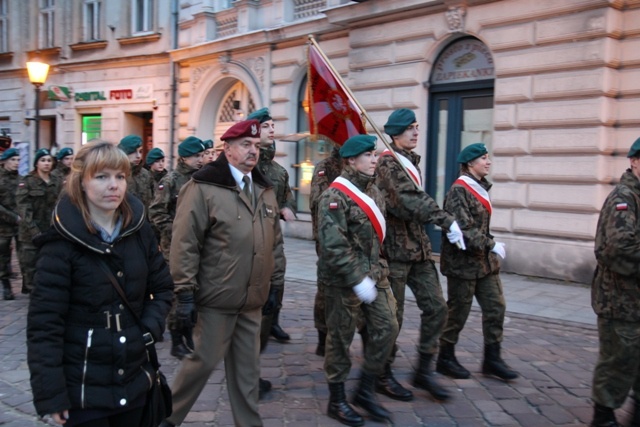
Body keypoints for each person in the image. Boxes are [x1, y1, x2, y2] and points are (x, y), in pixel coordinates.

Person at [26, 140, 173, 427]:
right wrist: (51, 396)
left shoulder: (139, 231)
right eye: (102, 176)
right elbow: (45, 326)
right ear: (81, 182)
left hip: (134, 384)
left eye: (120, 176)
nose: (114, 185)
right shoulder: (60, 245)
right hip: (83, 392)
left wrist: (147, 329)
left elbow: (164, 287)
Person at [160, 119, 284, 427]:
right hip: (217, 297)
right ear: (226, 150)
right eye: (245, 145)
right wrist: (185, 293)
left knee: (246, 375)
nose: (253, 151)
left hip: (252, 300)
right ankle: (166, 419)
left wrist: (276, 284)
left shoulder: (264, 188)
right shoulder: (202, 188)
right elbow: (185, 243)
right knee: (199, 365)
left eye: (256, 146)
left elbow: (275, 241)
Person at [375, 108, 463, 402]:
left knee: (438, 308)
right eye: (410, 128)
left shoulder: (409, 162)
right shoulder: (388, 165)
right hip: (396, 252)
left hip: (419, 251)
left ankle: (424, 369)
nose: (415, 132)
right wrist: (446, 220)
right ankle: (382, 374)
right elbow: (407, 203)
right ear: (396, 133)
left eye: (416, 127)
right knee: (393, 319)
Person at [317, 134, 398, 426]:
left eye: (375, 155)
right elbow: (332, 245)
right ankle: (336, 401)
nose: (375, 160)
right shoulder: (334, 196)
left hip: (375, 275)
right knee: (340, 339)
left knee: (388, 327)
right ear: (351, 160)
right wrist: (356, 277)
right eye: (368, 155)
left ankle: (365, 389)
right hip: (343, 281)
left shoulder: (374, 191)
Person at [437, 143, 518, 383]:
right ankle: (445, 356)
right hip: (462, 264)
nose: (488, 161)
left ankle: (492, 359)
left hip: (484, 263)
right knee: (458, 312)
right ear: (470, 164)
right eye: (483, 158)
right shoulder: (458, 191)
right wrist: (491, 245)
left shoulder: (479, 188)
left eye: (487, 157)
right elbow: (463, 228)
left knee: (496, 308)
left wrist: (488, 248)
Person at [589, 137, 640, 427]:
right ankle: (603, 416)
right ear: (634, 161)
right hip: (620, 300)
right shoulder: (624, 198)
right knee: (618, 359)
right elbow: (619, 249)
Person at [149, 136, 205, 360]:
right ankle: (175, 339)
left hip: (198, 244)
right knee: (178, 293)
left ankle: (189, 334)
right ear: (184, 157)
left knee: (195, 290)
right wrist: (177, 231)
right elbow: (156, 212)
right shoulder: (170, 181)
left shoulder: (202, 179)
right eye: (196, 156)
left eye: (202, 155)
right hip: (174, 246)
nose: (200, 160)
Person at [248, 107, 296, 343]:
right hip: (248, 238)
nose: (272, 129)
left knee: (278, 279)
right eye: (266, 126)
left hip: (273, 237)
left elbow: (287, 196)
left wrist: (288, 207)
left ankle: (272, 322)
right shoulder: (246, 165)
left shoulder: (279, 171)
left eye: (273, 125)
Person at [310, 145, 342, 356]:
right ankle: (323, 336)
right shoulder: (325, 167)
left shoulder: (363, 167)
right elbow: (318, 201)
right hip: (328, 238)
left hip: (356, 239)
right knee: (327, 288)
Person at [16, 148, 61, 294]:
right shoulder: (27, 182)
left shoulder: (56, 181)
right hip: (30, 233)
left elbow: (60, 204)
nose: (46, 163)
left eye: (49, 160)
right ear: (37, 163)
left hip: (51, 231)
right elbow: (24, 209)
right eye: (43, 160)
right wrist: (34, 231)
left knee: (50, 264)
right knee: (30, 265)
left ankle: (45, 292)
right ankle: (34, 294)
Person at [0, 148, 20, 300]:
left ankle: (28, 285)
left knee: (25, 255)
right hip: (3, 225)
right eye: (13, 160)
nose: (16, 163)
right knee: (3, 256)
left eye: (18, 160)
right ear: (4, 161)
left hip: (20, 224)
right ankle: (6, 286)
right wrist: (13, 217)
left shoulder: (21, 179)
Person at [118, 135, 154, 207]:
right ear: (124, 152)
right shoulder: (116, 174)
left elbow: (152, 202)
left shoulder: (146, 174)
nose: (138, 156)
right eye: (134, 152)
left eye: (140, 151)